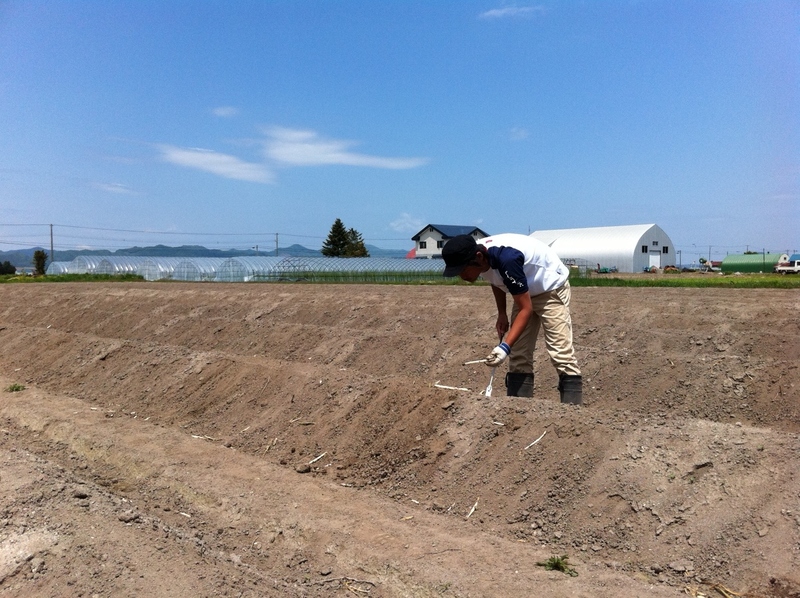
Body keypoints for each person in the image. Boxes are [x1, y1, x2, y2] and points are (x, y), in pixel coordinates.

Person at [442, 233, 582, 405]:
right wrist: (502, 313)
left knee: (560, 352)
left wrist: (504, 347)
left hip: (550, 288)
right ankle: (518, 412)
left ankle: (572, 412)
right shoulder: (477, 254)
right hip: (523, 291)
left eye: (462, 270)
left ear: (478, 257)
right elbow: (495, 278)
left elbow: (526, 309)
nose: (461, 276)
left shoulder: (507, 258)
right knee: (519, 355)